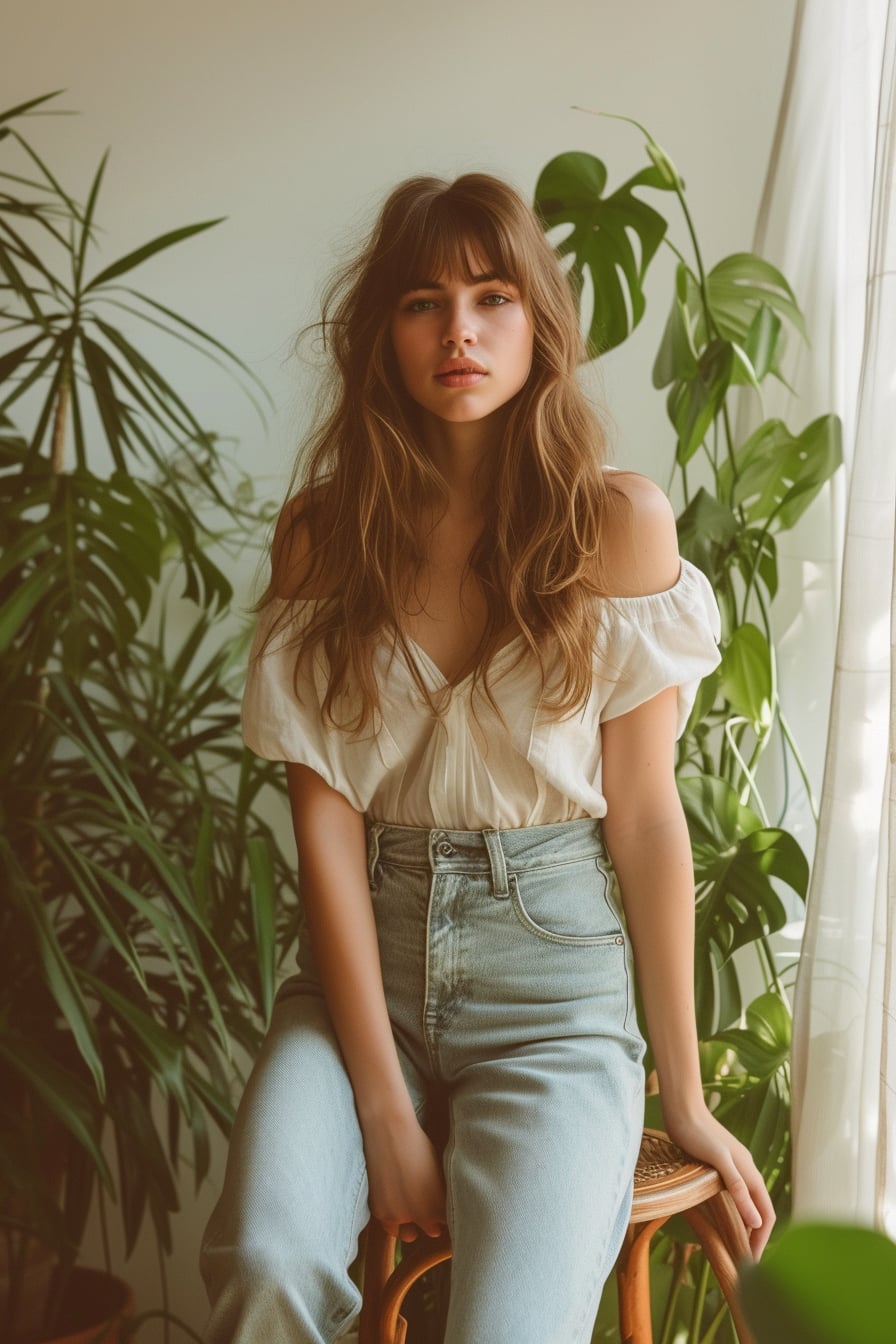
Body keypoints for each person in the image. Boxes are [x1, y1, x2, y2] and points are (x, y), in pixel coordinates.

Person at [200, 172, 774, 1344]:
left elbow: (647, 820)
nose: (457, 330)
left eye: (491, 296)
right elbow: (323, 822)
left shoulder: (613, 525)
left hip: (553, 998)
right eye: (421, 302)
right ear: (382, 336)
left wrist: (688, 1090)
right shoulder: (323, 536)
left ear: (537, 324)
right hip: (367, 983)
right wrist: (382, 1107)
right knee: (268, 1260)